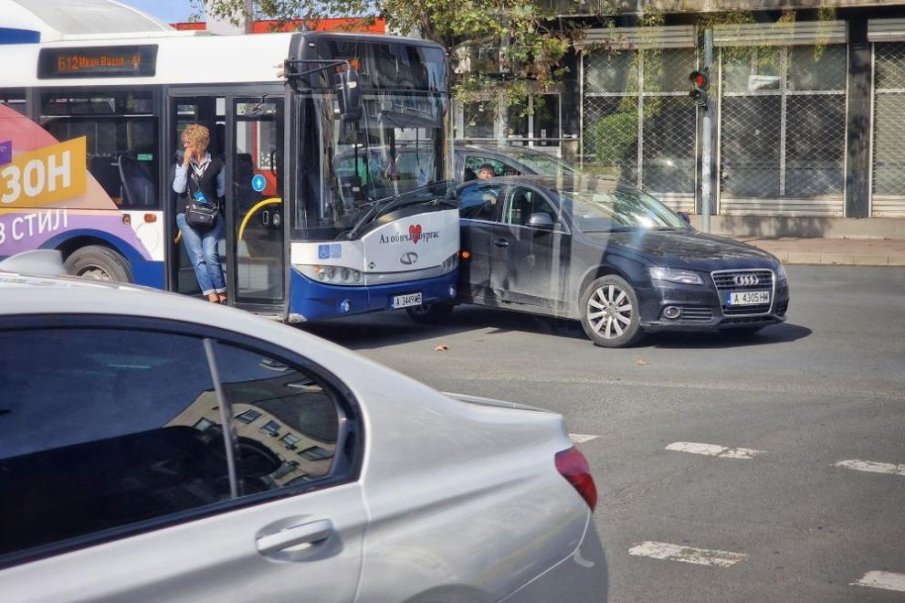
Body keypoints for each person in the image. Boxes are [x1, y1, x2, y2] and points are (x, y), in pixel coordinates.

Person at [173, 124, 227, 304]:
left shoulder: (217, 164)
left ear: (200, 144)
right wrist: (186, 163)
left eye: (189, 143)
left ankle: (222, 291)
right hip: (186, 215)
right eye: (185, 144)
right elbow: (178, 188)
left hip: (211, 216)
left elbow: (222, 191)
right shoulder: (182, 164)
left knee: (211, 253)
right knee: (198, 256)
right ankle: (211, 295)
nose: (185, 147)